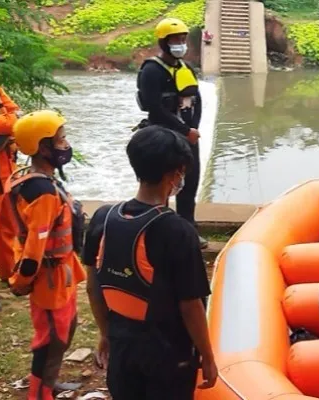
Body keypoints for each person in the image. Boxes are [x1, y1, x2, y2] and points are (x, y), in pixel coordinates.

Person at [83, 125, 217, 399]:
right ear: (176, 172)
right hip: (169, 355)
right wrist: (207, 355)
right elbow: (191, 306)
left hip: (122, 345)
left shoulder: (103, 218)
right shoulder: (178, 231)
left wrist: (107, 334)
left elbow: (92, 287)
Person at [6, 110, 87, 399]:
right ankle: (40, 394)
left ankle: (49, 383)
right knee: (51, 340)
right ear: (42, 147)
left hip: (62, 272)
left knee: (65, 330)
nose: (66, 145)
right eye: (61, 140)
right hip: (49, 279)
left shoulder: (39, 179)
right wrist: (22, 280)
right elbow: (34, 249)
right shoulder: (42, 192)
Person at [136, 17, 207, 249]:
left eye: (183, 39)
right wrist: (185, 130)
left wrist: (192, 129)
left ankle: (188, 231)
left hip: (188, 138)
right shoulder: (151, 71)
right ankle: (158, 232)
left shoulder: (186, 68)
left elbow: (196, 100)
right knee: (161, 185)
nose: (181, 44)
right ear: (164, 42)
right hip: (163, 136)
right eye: (176, 40)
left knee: (189, 185)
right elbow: (155, 108)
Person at [0, 53, 21, 311]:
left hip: (4, 169)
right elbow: (7, 121)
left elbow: (13, 113)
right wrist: (8, 123)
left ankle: (9, 272)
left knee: (7, 223)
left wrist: (8, 123)